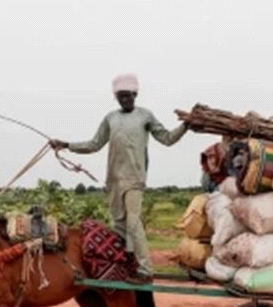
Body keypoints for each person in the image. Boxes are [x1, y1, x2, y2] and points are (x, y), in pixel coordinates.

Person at [50, 74, 188, 283]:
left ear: (135, 94)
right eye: (121, 96)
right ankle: (128, 265)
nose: (125, 99)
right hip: (114, 179)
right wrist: (67, 145)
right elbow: (94, 144)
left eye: (128, 95)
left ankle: (145, 270)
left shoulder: (145, 116)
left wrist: (186, 126)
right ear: (116, 97)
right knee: (120, 225)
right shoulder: (110, 118)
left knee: (133, 222)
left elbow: (167, 139)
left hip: (134, 179)